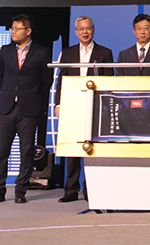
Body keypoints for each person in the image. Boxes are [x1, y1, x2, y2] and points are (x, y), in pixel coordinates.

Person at [0, 14, 52, 204]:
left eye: (17, 29)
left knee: (26, 152)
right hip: (6, 108)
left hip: (29, 110)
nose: (13, 32)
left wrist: (30, 96)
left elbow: (46, 81)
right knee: (2, 151)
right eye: (12, 28)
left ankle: (21, 190)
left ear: (28, 31)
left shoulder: (41, 52)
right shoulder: (5, 51)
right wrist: (10, 93)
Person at [55, 16, 113, 203]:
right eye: (81, 29)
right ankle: (71, 190)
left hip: (95, 106)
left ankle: (91, 189)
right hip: (73, 106)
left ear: (93, 30)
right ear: (76, 32)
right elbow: (61, 80)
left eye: (88, 28)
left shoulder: (105, 53)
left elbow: (109, 81)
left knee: (93, 149)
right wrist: (58, 104)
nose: (85, 32)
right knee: (73, 148)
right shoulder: (68, 53)